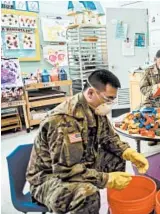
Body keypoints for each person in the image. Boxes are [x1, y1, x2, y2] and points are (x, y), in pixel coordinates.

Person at [26, 69, 149, 214]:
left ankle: (116, 206)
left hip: (77, 162)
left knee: (116, 159)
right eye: (108, 99)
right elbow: (66, 170)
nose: (110, 104)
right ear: (91, 93)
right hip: (49, 178)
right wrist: (106, 179)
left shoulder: (95, 108)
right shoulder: (64, 120)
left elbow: (108, 137)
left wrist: (127, 152)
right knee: (87, 194)